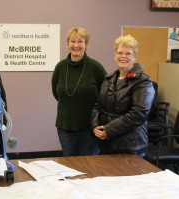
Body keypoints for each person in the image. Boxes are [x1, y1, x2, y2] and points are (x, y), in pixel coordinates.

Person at [90, 35, 155, 158]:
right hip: (106, 144)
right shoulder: (108, 79)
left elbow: (138, 113)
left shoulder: (143, 81)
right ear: (115, 55)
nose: (123, 56)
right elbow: (97, 106)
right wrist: (94, 127)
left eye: (128, 53)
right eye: (120, 52)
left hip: (130, 146)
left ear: (135, 56)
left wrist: (108, 130)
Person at [51, 27, 107, 156]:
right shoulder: (60, 67)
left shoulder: (95, 67)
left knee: (89, 166)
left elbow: (105, 95)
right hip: (65, 127)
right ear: (67, 44)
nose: (76, 45)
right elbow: (56, 93)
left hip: (90, 128)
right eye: (72, 41)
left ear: (86, 44)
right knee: (70, 167)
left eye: (80, 41)